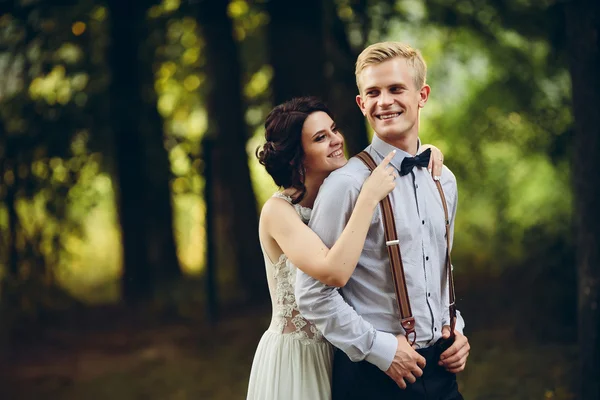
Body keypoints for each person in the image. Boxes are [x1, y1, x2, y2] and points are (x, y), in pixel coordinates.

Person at [295, 41, 470, 400]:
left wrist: (456, 329)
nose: (384, 101)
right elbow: (313, 294)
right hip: (372, 377)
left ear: (422, 95)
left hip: (442, 372)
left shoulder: (444, 180)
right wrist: (380, 350)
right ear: (362, 104)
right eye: (373, 92)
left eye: (395, 89)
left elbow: (437, 271)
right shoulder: (344, 186)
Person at [246, 96, 447, 400]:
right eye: (320, 138)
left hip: (343, 349)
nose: (336, 140)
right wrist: (368, 198)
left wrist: (421, 152)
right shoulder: (279, 212)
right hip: (300, 355)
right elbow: (334, 272)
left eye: (333, 130)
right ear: (295, 156)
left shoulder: (338, 195)